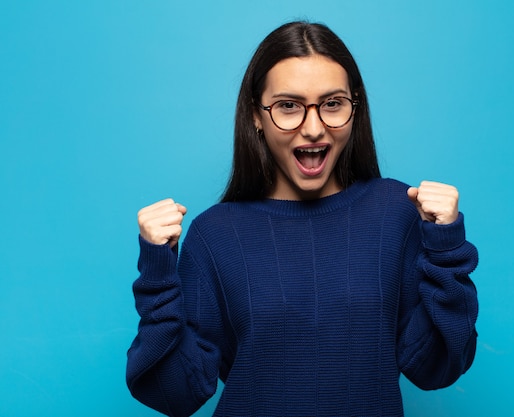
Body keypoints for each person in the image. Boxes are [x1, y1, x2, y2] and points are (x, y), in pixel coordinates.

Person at [126, 21, 479, 417]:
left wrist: (446, 248)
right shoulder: (215, 236)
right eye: (288, 106)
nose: (313, 129)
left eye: (332, 104)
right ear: (255, 115)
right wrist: (157, 274)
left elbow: (437, 366)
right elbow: (174, 394)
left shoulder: (397, 213)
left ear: (354, 108)